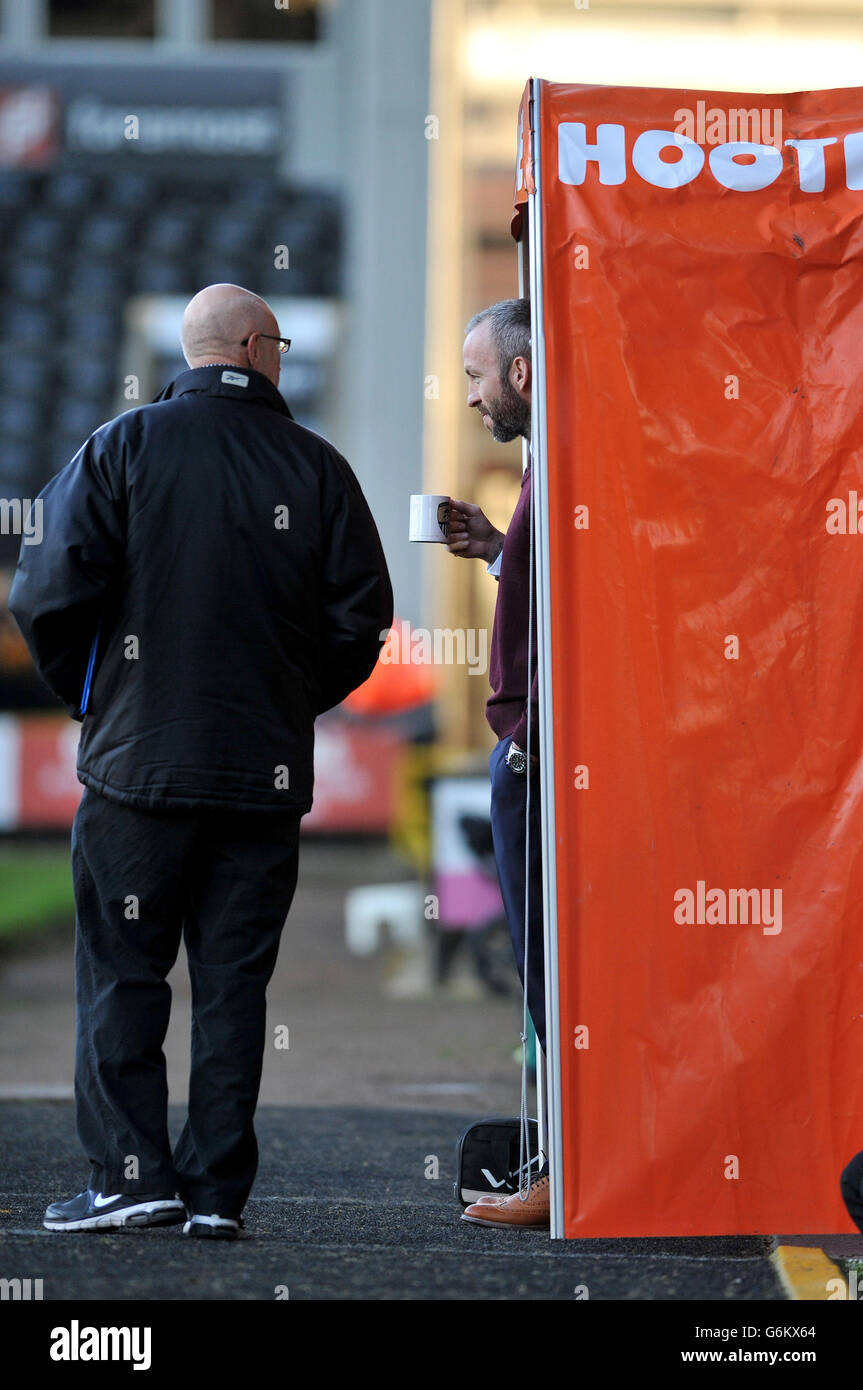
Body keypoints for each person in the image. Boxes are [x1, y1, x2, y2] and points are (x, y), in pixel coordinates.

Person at [9, 283, 393, 1239]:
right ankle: (216, 1194)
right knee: (232, 988)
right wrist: (282, 704)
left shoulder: (120, 448)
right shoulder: (318, 468)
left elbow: (45, 593)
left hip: (136, 774)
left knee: (123, 978)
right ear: (261, 349)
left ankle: (133, 1178)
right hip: (259, 782)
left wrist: (100, 699)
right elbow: (361, 621)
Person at [446, 297, 549, 1228]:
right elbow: (551, 579)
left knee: (548, 961)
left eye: (476, 378)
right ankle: (566, 1157)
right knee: (542, 959)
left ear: (520, 373)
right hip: (536, 741)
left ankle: (566, 1167)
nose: (471, 399)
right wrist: (496, 549)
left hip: (540, 748)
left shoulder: (560, 457)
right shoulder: (551, 463)